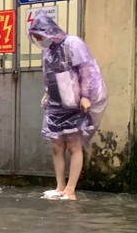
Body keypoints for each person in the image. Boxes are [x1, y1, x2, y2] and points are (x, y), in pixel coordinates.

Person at [29, 11, 107, 202]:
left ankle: (70, 190)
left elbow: (86, 70)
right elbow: (51, 77)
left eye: (40, 36)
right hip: (56, 104)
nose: (40, 40)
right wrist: (48, 94)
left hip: (74, 101)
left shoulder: (73, 44)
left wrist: (86, 96)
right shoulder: (49, 52)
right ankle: (59, 186)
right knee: (56, 145)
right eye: (37, 38)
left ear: (48, 31)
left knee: (74, 144)